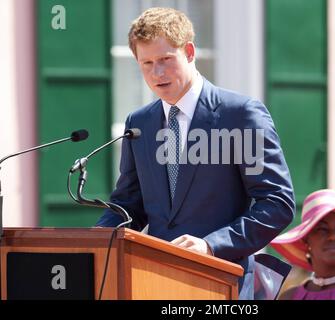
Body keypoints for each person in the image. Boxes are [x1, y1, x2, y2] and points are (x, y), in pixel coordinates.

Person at [96, 7, 295, 299]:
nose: (157, 73)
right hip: (155, 284)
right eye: (146, 63)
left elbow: (277, 203)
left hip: (224, 282)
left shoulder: (240, 114)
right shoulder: (138, 124)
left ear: (189, 52)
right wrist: (100, 239)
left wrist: (212, 245)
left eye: (165, 59)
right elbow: (129, 204)